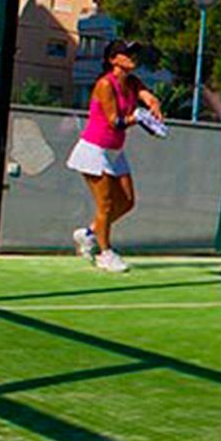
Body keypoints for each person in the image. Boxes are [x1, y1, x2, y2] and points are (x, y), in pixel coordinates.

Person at [65, 40, 162, 272]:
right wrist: (137, 117)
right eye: (126, 54)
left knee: (127, 202)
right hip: (94, 150)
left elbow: (147, 96)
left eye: (133, 54)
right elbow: (115, 122)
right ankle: (105, 253)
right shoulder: (105, 85)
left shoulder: (132, 82)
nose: (132, 57)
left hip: (115, 152)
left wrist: (153, 104)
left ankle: (88, 234)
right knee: (106, 205)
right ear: (113, 60)